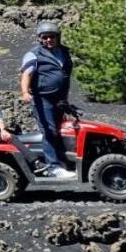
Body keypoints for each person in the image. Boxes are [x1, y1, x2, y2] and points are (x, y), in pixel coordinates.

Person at [20, 20, 74, 177]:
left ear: (58, 37)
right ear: (40, 38)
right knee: (49, 131)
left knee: (63, 130)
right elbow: (26, 74)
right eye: (45, 37)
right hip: (43, 99)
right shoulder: (34, 54)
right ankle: (53, 167)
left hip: (60, 99)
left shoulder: (64, 52)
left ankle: (64, 161)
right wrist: (25, 92)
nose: (48, 40)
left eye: (51, 37)